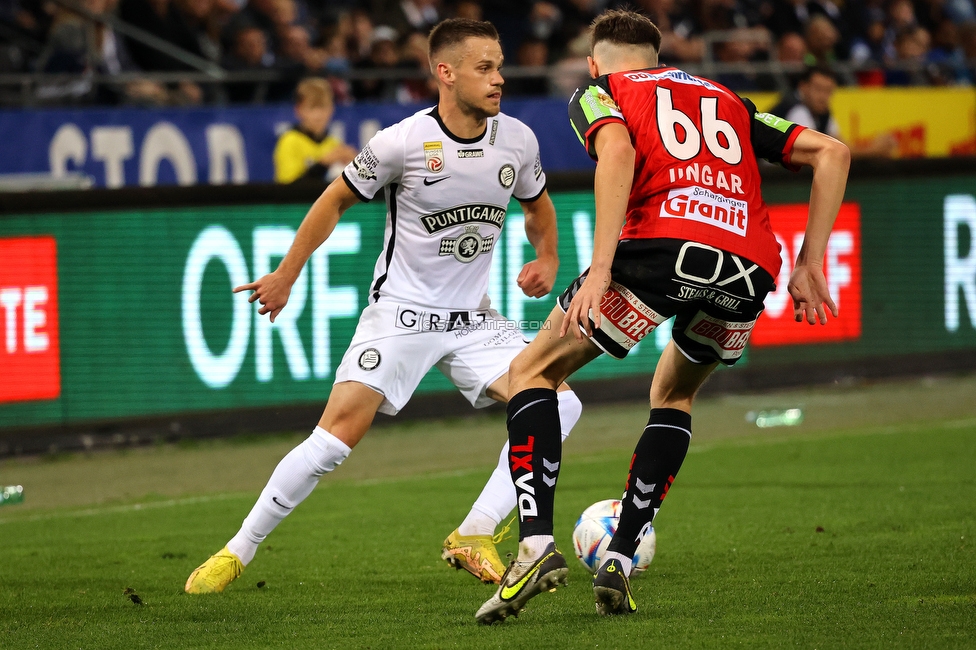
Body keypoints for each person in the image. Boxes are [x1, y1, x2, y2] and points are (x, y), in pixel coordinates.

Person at [475, 8, 850, 624]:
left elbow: (617, 153)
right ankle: (621, 553)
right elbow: (831, 153)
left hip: (660, 248)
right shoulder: (727, 97)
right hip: (747, 264)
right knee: (673, 397)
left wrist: (600, 270)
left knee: (531, 373)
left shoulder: (601, 92)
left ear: (595, 62)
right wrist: (810, 260)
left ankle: (536, 544)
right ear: (657, 58)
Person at [184, 17, 583, 595]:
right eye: (485, 67)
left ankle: (474, 531)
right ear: (444, 73)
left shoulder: (517, 140)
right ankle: (236, 551)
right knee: (333, 440)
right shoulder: (401, 142)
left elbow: (538, 205)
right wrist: (286, 274)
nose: (499, 79)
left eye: (500, 66)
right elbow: (334, 200)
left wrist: (547, 256)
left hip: (474, 320)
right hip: (402, 315)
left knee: (560, 405)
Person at [273, 77, 357, 184]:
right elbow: (288, 188)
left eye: (323, 107)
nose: (318, 115)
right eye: (312, 108)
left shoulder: (334, 144)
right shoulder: (289, 141)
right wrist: (324, 163)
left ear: (332, 109)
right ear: (298, 110)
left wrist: (356, 165)